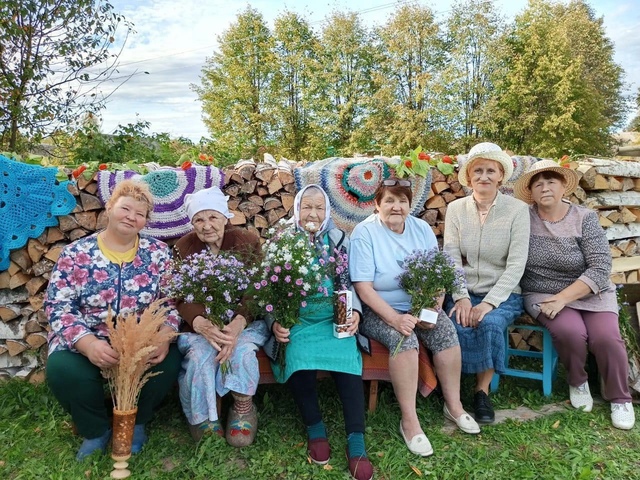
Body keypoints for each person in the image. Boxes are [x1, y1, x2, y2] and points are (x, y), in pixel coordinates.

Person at [45, 179, 182, 461]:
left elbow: (170, 302)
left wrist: (165, 334)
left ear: (145, 221)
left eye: (140, 214)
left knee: (168, 361)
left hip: (139, 339)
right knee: (62, 369)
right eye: (125, 208)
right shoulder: (76, 254)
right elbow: (58, 305)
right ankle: (95, 429)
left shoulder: (158, 254)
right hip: (89, 337)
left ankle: (137, 422)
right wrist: (87, 343)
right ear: (110, 207)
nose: (131, 217)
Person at [350, 178, 480, 459]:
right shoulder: (364, 233)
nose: (396, 207)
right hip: (380, 308)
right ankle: (409, 420)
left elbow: (438, 276)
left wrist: (432, 309)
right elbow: (363, 288)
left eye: (402, 201)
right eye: (389, 201)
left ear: (410, 205)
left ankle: (454, 405)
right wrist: (396, 320)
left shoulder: (421, 229)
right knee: (404, 340)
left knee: (446, 334)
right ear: (377, 205)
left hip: (420, 304)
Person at [514, 160, 635, 429]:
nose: (545, 188)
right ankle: (578, 382)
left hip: (591, 290)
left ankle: (620, 397)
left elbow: (601, 265)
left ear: (563, 187)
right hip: (541, 291)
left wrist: (564, 298)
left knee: (606, 337)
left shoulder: (584, 217)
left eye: (551, 182)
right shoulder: (522, 218)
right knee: (571, 332)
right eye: (538, 184)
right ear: (531, 192)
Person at [265, 184, 374, 480]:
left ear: (327, 211)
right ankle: (315, 428)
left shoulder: (339, 238)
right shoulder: (281, 240)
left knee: (348, 357)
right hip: (298, 320)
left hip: (333, 317)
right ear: (297, 210)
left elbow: (351, 282)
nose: (312, 213)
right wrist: (275, 322)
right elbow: (268, 292)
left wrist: (354, 313)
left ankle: (356, 440)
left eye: (319, 207)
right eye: (307, 207)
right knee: (297, 354)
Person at [174, 186, 269, 446]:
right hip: (200, 326)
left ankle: (242, 407)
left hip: (243, 322)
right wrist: (200, 323)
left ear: (225, 218)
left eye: (213, 217)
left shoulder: (246, 241)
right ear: (192, 223)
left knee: (241, 350)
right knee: (200, 355)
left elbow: (257, 287)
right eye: (199, 220)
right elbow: (179, 295)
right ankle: (203, 416)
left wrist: (238, 322)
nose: (206, 226)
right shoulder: (184, 247)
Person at [443, 142, 530, 424]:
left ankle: (481, 393)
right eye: (477, 171)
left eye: (490, 170)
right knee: (455, 323)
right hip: (465, 290)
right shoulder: (456, 209)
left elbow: (517, 264)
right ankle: (451, 392)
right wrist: (461, 297)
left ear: (501, 176)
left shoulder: (517, 210)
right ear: (469, 177)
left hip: (503, 294)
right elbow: (451, 257)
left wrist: (490, 303)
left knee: (489, 324)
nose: (484, 176)